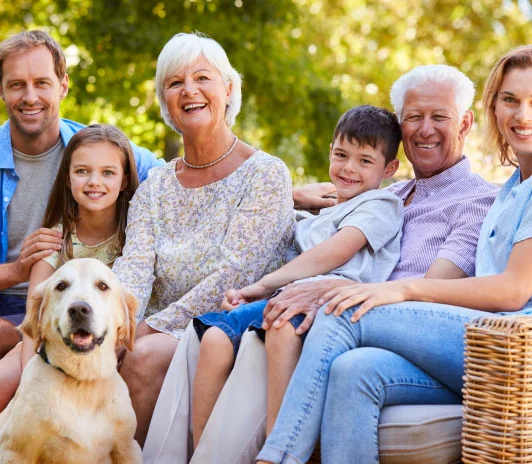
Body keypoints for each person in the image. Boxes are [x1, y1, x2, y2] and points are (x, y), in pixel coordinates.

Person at [143, 64, 499, 463]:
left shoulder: (477, 201)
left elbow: (428, 297)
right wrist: (295, 195)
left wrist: (332, 290)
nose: (425, 129)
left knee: (283, 328)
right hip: (329, 311)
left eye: (440, 117)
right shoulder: (389, 190)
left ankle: (272, 455)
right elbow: (328, 205)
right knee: (208, 333)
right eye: (414, 117)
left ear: (465, 123)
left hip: (382, 328)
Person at [257, 44, 532, 464]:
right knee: (354, 372)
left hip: (523, 347)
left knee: (340, 310)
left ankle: (276, 458)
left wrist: (401, 291)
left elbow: (515, 290)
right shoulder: (514, 185)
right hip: (482, 346)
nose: (522, 115)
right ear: (494, 108)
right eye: (510, 100)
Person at [112, 32, 295, 446]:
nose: (189, 90)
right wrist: (117, 328)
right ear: (165, 102)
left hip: (221, 327)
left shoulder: (266, 174)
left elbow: (233, 274)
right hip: (150, 328)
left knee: (140, 360)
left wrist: (147, 332)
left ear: (228, 88)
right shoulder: (155, 186)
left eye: (202, 78)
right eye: (175, 83)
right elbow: (133, 270)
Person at [0, 30, 162, 425]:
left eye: (42, 82)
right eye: (16, 85)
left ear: (63, 84)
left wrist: (289, 193)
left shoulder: (94, 149)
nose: (30, 97)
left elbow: (186, 179)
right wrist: (16, 271)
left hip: (83, 311)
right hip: (7, 311)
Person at [189, 105, 403, 449]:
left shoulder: (381, 205)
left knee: (282, 325)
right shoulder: (320, 213)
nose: (349, 168)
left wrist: (261, 286)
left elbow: (335, 252)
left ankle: (279, 445)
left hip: (329, 303)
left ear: (389, 168)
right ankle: (201, 451)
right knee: (214, 337)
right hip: (286, 296)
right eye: (341, 155)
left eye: (365, 161)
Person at [0, 124, 139, 432]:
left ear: (125, 178)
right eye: (82, 171)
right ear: (67, 176)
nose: (94, 182)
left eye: (108, 173)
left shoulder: (136, 234)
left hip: (109, 344)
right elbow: (34, 320)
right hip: (56, 343)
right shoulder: (56, 237)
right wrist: (30, 380)